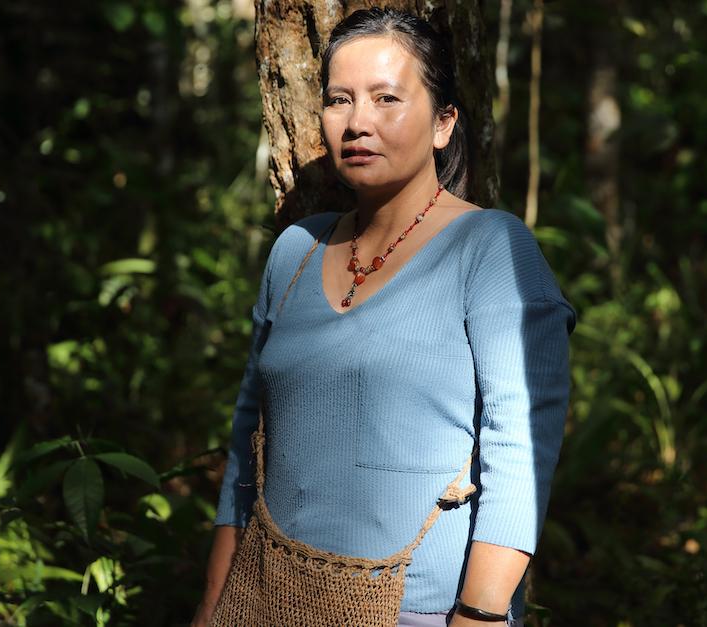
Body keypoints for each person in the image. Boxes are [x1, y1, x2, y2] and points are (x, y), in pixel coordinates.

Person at [192, 8, 576, 626]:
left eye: (386, 98)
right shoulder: (296, 250)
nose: (358, 122)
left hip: (420, 609)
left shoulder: (491, 248)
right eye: (340, 100)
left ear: (444, 123)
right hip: (272, 598)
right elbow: (249, 435)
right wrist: (214, 600)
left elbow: (522, 446)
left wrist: (477, 615)